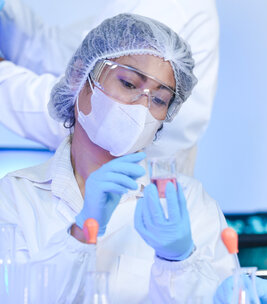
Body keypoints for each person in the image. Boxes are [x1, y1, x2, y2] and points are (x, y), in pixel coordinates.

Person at [0, 13, 234, 304]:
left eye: (158, 99)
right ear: (82, 76)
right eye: (128, 83)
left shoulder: (188, 204)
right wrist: (80, 234)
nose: (142, 106)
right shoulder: (15, 197)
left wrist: (178, 261)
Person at [0, 0, 219, 175]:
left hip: (128, 191)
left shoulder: (162, 7)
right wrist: (5, 14)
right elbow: (59, 53)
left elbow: (94, 119)